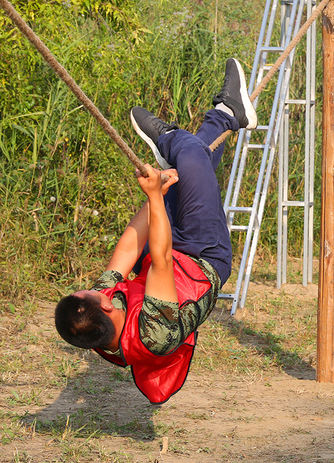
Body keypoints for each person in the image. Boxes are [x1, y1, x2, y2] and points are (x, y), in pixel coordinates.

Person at [54, 58, 257, 404]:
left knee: (187, 166)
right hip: (201, 257)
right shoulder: (152, 333)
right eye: (90, 292)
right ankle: (202, 123)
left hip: (167, 254)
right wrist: (152, 194)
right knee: (190, 154)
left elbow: (126, 252)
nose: (91, 288)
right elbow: (161, 260)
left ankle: (225, 115)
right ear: (105, 309)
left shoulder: (97, 310)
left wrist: (155, 199)